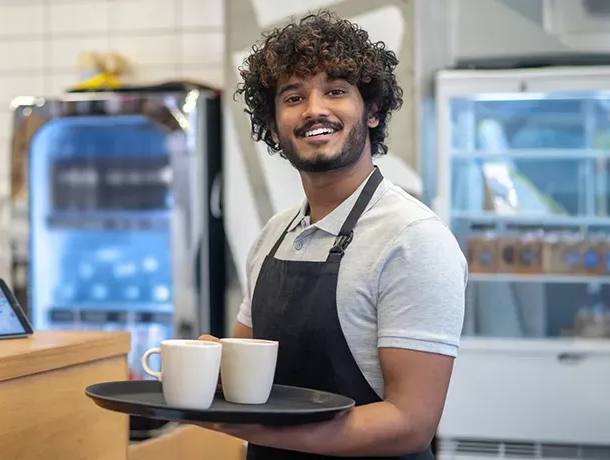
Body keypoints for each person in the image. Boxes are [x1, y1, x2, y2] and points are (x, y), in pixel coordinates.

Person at [196, 11, 467, 460]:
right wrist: (207, 361)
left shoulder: (413, 239)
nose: (314, 109)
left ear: (373, 111)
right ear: (274, 124)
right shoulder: (274, 235)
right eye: (293, 97)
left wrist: (262, 432)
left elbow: (410, 423)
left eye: (336, 91)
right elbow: (244, 370)